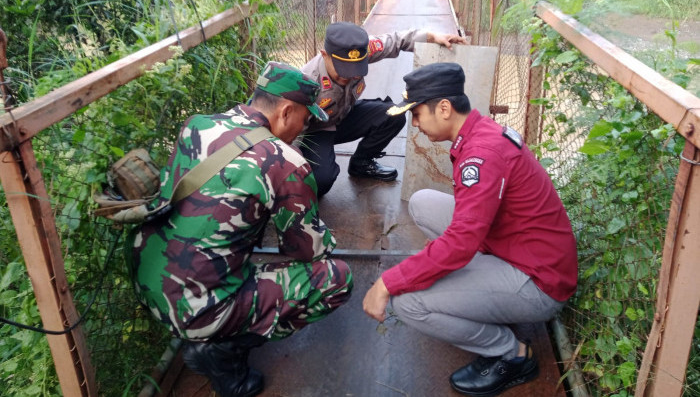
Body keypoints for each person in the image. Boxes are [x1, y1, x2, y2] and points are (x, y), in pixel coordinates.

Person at [129, 61, 353, 397]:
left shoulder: (198, 125)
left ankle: (211, 326)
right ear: (286, 111)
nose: (303, 131)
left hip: (148, 283)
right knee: (336, 279)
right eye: (305, 121)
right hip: (195, 309)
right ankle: (220, 349)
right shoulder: (286, 162)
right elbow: (305, 250)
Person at [362, 62, 578, 396]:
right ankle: (484, 296)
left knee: (407, 303)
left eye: (417, 114)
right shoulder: (479, 131)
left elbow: (461, 243)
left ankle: (513, 353)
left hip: (539, 281)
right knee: (422, 202)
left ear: (444, 108)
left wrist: (387, 282)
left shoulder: (482, 154)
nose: (415, 125)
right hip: (517, 248)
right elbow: (467, 232)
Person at [300, 22, 467, 197]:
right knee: (321, 180)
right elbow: (292, 135)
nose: (350, 76)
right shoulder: (307, 82)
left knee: (393, 115)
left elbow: (396, 40)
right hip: (316, 130)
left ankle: (361, 163)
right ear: (325, 55)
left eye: (355, 70)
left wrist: (432, 36)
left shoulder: (360, 52)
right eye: (343, 71)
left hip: (344, 116)